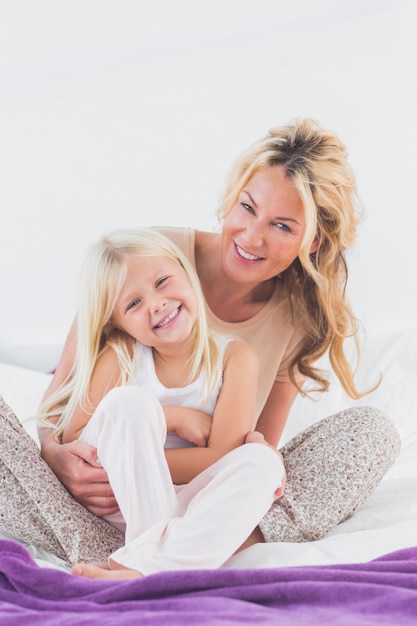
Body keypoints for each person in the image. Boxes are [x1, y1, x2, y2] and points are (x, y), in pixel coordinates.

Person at [0, 117, 400, 561]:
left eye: (282, 226)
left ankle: (170, 550)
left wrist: (137, 463)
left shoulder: (295, 322)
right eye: (247, 208)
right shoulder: (147, 258)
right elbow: (62, 407)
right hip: (95, 505)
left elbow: (248, 453)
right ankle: (167, 554)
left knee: (369, 434)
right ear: (231, 200)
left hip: (196, 502)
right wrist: (60, 458)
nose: (251, 237)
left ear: (314, 241)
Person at [37, 228, 284, 578]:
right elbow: (76, 441)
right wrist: (170, 418)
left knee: (263, 461)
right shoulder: (121, 355)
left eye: (163, 281)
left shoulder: (236, 359)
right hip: (118, 501)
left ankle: (145, 566)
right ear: (118, 323)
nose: (156, 303)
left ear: (187, 272)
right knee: (129, 403)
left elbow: (222, 459)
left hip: (186, 506)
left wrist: (135, 459)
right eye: (133, 304)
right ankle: (160, 560)